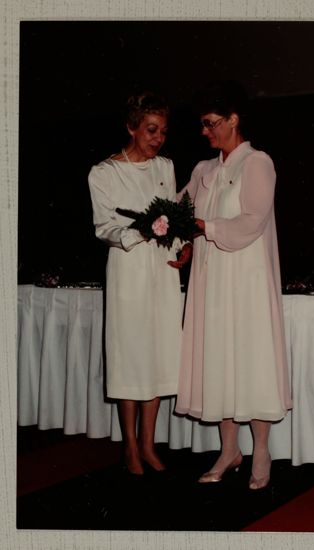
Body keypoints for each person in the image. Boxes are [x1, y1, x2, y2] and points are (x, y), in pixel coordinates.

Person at [174, 82, 292, 490]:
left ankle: (260, 449)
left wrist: (206, 227)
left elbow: (252, 221)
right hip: (211, 282)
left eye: (210, 124)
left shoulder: (257, 163)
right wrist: (183, 239)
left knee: (250, 358)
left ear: (233, 119)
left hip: (246, 281)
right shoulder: (204, 170)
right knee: (218, 358)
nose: (204, 132)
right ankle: (229, 450)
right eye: (203, 124)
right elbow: (179, 210)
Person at [88, 90, 183, 476]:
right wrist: (141, 230)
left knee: (158, 354)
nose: (157, 139)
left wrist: (183, 242)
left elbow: (175, 215)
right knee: (131, 357)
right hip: (128, 269)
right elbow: (104, 228)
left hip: (161, 270)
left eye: (162, 131)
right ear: (131, 127)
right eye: (150, 130)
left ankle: (149, 443)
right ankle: (129, 445)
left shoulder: (166, 166)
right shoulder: (104, 172)